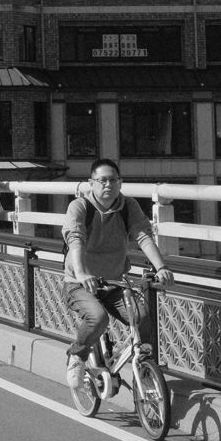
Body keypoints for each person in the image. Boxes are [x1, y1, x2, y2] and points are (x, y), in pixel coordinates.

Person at [62, 159, 174, 396]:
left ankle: (144, 367)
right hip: (79, 283)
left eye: (113, 180)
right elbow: (75, 239)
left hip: (114, 282)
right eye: (102, 180)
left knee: (142, 316)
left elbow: (142, 236)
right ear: (91, 183)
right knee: (98, 318)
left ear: (120, 183)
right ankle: (77, 354)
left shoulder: (127, 206)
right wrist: (82, 273)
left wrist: (161, 267)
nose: (108, 185)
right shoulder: (80, 207)